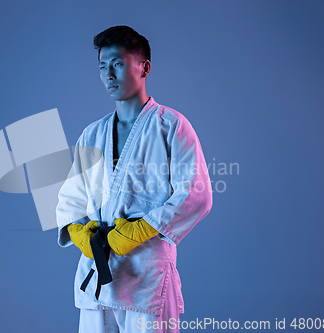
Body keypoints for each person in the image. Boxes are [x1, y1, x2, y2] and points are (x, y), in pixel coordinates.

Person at [56, 25, 213, 333]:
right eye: (103, 66)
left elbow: (197, 194)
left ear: (145, 67)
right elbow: (71, 198)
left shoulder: (171, 127)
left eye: (118, 63)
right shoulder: (93, 133)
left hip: (147, 273)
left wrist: (140, 230)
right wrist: (79, 234)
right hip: (100, 271)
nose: (108, 74)